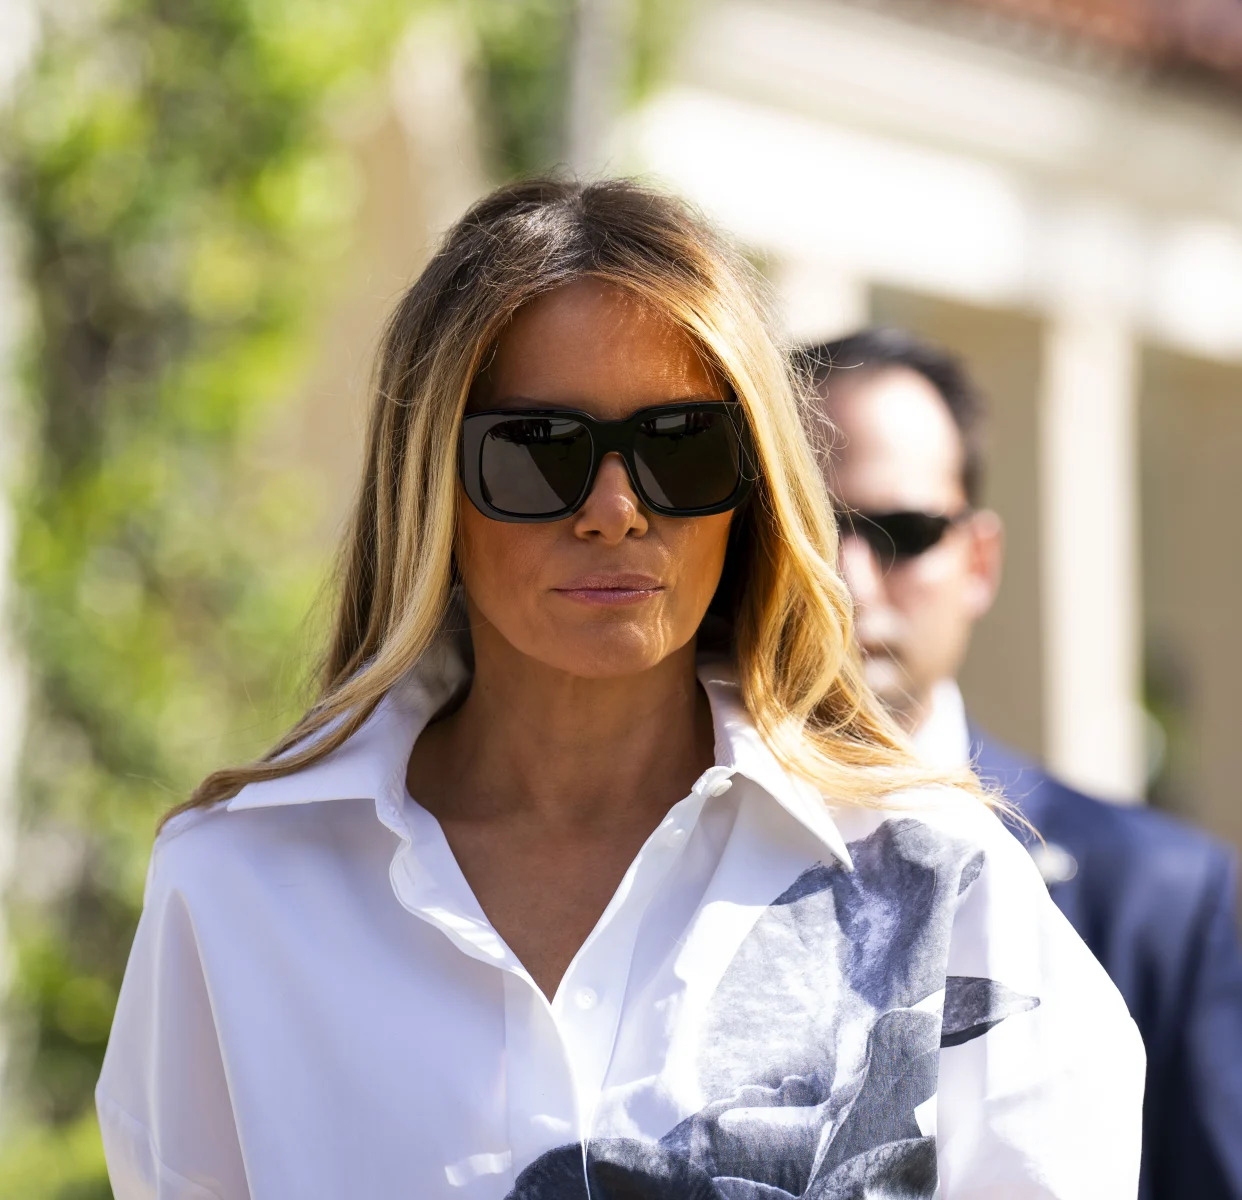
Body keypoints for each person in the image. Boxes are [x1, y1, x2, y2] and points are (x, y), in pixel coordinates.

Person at [97, 181, 1142, 1200]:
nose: (613, 509)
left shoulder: (941, 879)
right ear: (430, 487)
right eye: (534, 449)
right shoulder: (239, 887)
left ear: (754, 488)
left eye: (680, 447)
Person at [804, 326, 1242, 1200]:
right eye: (811, 527)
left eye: (902, 530)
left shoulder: (1155, 893)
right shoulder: (647, 848)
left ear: (980, 559)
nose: (849, 578)